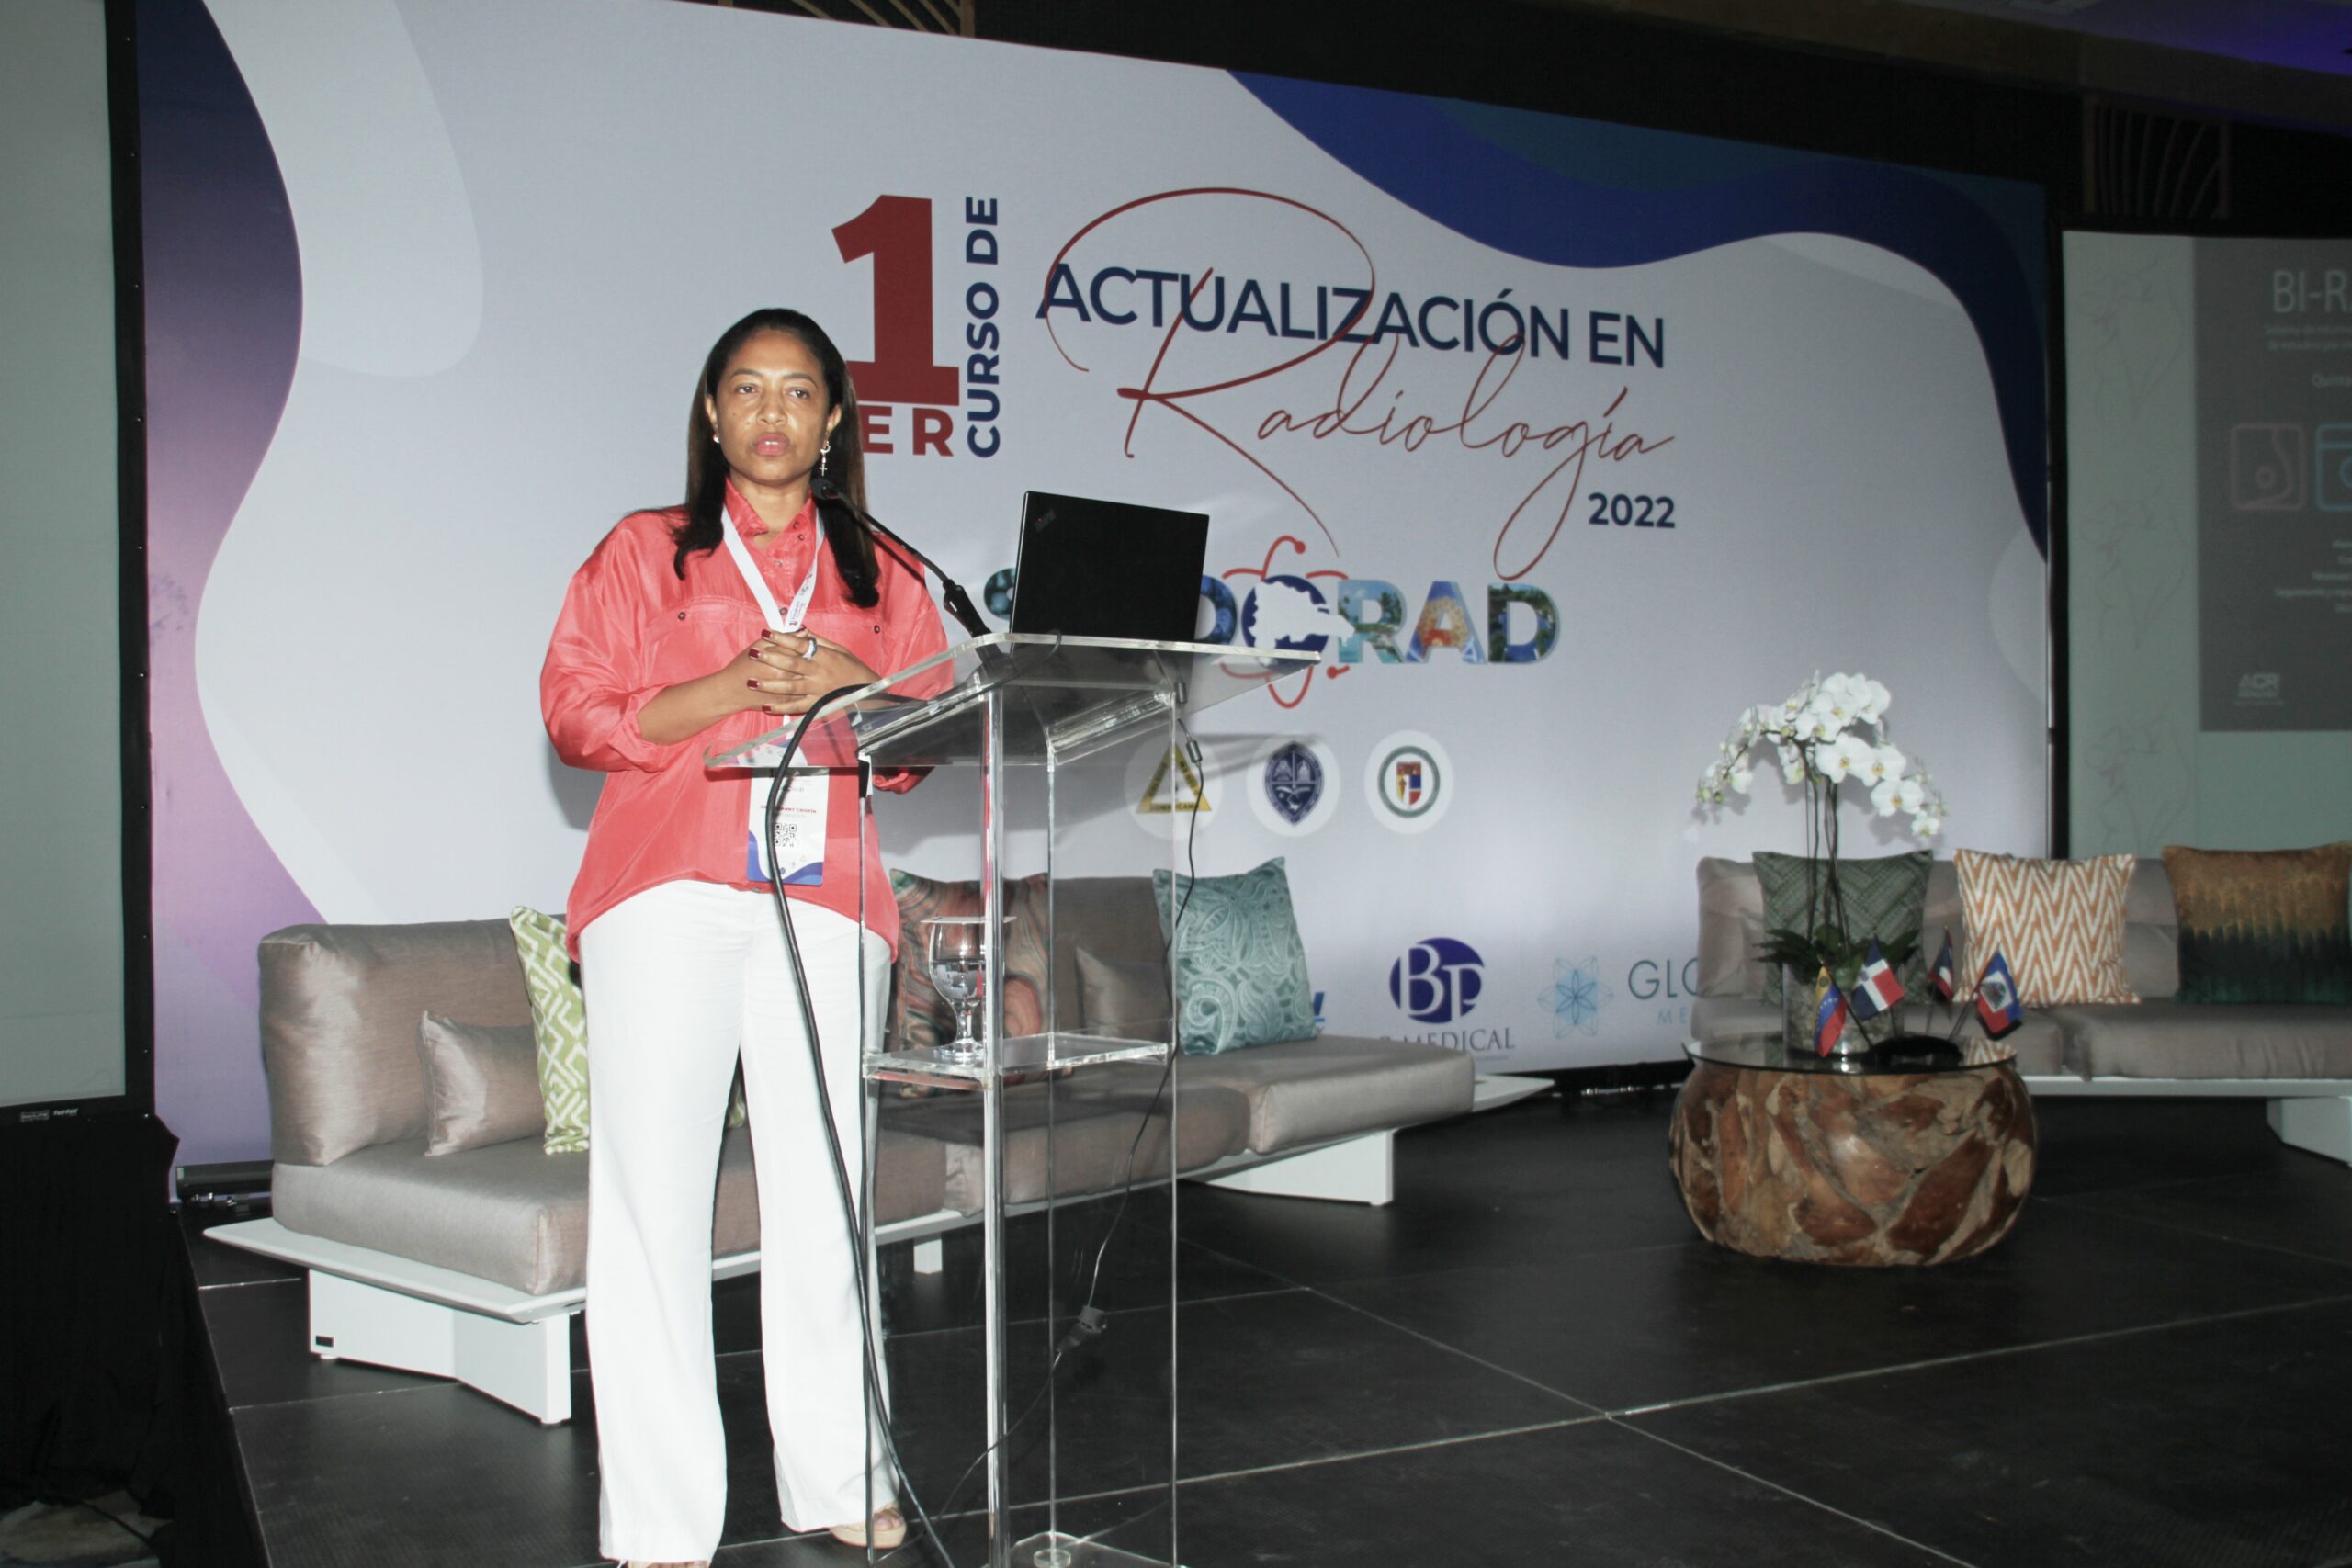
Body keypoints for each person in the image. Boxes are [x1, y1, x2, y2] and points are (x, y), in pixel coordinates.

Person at [540, 307, 951, 1566]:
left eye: (799, 391)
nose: (772, 412)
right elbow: (574, 713)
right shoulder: (642, 551)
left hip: (825, 902)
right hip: (664, 895)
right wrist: (721, 691)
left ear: (833, 423)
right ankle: (660, 1519)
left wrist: (849, 686)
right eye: (747, 388)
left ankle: (838, 1475)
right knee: (653, 1205)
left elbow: (926, 739)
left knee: (828, 1193)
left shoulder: (885, 571)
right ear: (713, 414)